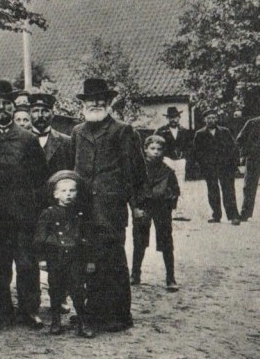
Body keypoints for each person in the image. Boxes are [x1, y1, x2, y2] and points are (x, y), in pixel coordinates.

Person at [71, 78, 145, 333]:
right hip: (83, 206)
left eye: (102, 100)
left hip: (110, 206)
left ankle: (119, 315)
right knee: (87, 257)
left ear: (109, 103)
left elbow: (134, 171)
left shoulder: (123, 131)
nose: (96, 103)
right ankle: (93, 310)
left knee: (112, 259)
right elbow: (73, 168)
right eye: (91, 100)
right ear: (83, 103)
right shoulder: (77, 132)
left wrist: (136, 205)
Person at [0, 80, 49, 330]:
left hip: (22, 214)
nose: (2, 108)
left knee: (26, 264)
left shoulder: (28, 139)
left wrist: (36, 210)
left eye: (7, 104)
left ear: (14, 107)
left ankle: (29, 310)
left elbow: (41, 179)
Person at [34, 170, 95, 338]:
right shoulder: (48, 213)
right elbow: (40, 237)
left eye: (72, 191)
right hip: (56, 256)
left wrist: (90, 260)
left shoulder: (81, 214)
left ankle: (83, 322)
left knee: (78, 290)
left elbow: (88, 238)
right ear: (55, 194)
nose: (68, 195)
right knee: (55, 289)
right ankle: (55, 321)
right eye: (63, 191)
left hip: (76, 257)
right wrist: (42, 259)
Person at [131, 136, 181, 291]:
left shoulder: (167, 171)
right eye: (152, 149)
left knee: (166, 242)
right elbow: (131, 189)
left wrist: (169, 202)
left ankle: (170, 278)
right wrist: (134, 208)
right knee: (139, 241)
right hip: (143, 207)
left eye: (159, 149)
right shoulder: (138, 169)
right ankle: (135, 274)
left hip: (161, 209)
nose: (156, 152)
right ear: (145, 149)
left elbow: (175, 190)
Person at [193, 109, 240, 224]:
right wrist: (201, 165)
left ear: (217, 119)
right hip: (209, 168)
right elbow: (196, 152)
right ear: (205, 120)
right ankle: (216, 215)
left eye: (214, 118)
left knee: (229, 190)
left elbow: (233, 148)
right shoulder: (200, 134)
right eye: (209, 118)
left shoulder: (225, 132)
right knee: (212, 191)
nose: (211, 120)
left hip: (225, 167)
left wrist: (234, 164)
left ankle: (233, 216)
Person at [28, 93, 74, 175]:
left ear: (52, 114)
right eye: (35, 111)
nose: (40, 115)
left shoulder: (67, 142)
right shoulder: (21, 140)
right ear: (29, 114)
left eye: (45, 111)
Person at [235, 113, 260, 222]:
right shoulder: (252, 123)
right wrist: (247, 153)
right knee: (249, 186)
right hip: (254, 159)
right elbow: (240, 139)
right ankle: (245, 213)